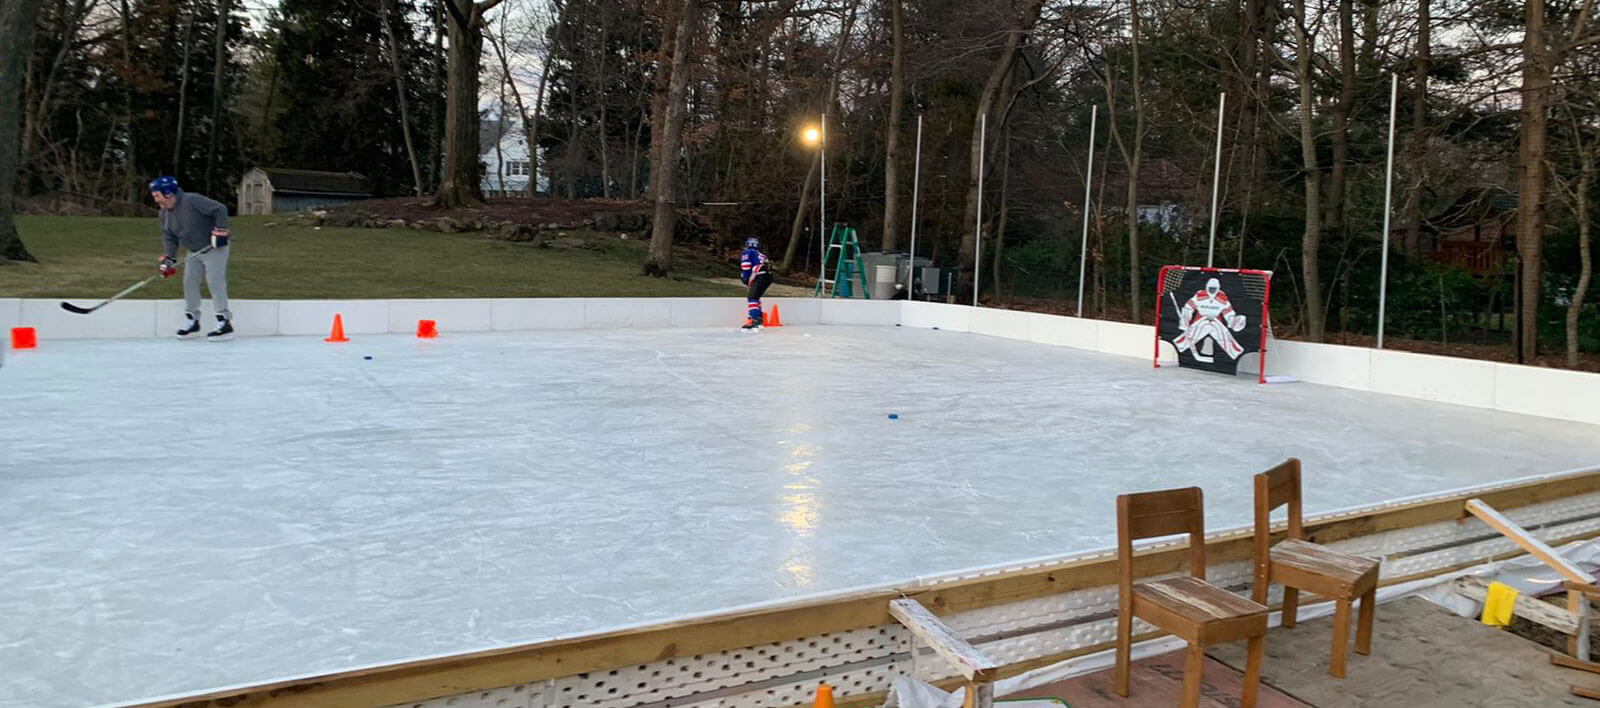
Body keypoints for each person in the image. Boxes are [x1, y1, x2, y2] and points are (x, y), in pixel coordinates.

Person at [151, 176, 233, 341]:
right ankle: (192, 321)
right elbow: (169, 237)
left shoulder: (192, 200)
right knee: (189, 282)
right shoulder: (164, 214)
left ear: (168, 193)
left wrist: (220, 230)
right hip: (194, 250)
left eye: (157, 195)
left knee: (215, 282)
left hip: (214, 247)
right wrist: (170, 259)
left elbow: (220, 209)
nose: (155, 199)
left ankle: (224, 322)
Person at [739, 237, 773, 330]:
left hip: (759, 275)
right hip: (768, 276)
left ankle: (754, 320)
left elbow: (746, 267)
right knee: (756, 297)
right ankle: (759, 318)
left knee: (752, 297)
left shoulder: (747, 252)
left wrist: (746, 279)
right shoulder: (761, 255)